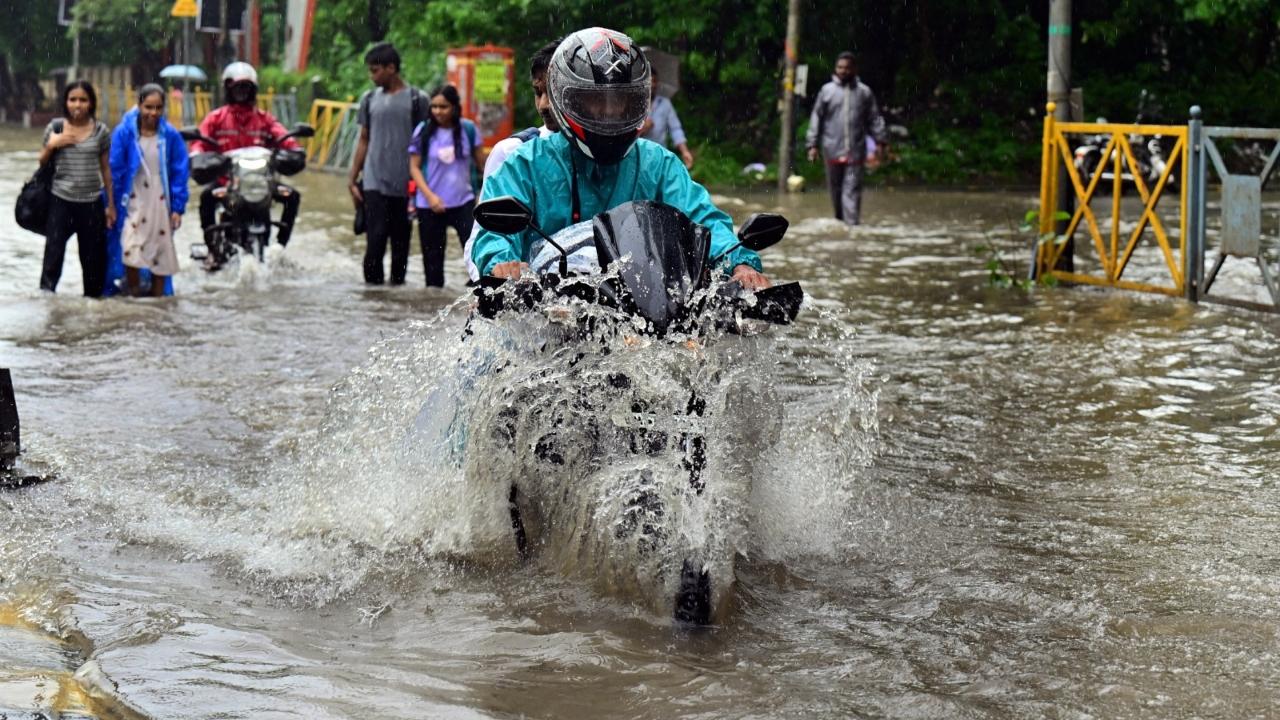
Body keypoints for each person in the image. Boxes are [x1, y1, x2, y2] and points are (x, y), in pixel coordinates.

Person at [471, 27, 769, 290]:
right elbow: (493, 234)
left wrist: (739, 264)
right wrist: (503, 263)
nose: (609, 114)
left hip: (643, 306)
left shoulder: (659, 165)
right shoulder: (524, 164)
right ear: (567, 99)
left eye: (621, 102)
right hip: (545, 311)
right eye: (595, 102)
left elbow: (703, 221)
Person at [461, 38, 562, 284]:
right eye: (538, 92)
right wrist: (498, 275)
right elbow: (480, 241)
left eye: (554, 92)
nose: (543, 105)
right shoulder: (513, 154)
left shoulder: (645, 161)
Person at [190, 62, 301, 246]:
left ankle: (280, 246)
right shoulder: (216, 118)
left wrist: (294, 150)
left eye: (246, 88)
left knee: (293, 197)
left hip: (261, 182)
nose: (242, 92)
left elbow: (284, 138)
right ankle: (211, 248)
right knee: (207, 198)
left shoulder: (265, 119)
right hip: (227, 182)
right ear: (228, 89)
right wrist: (197, 155)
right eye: (237, 88)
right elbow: (199, 142)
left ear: (253, 90)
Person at [349, 43, 428, 285]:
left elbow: (425, 141)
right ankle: (373, 296)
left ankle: (395, 294)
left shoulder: (418, 99)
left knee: (401, 243)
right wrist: (352, 178)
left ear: (391, 68)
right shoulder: (369, 99)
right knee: (375, 241)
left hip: (406, 184)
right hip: (374, 181)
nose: (371, 76)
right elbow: (364, 138)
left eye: (375, 70)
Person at [107, 84, 190, 297]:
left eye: (158, 107)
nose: (153, 113)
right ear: (139, 105)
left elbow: (179, 171)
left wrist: (178, 208)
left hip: (160, 200)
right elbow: (114, 169)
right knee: (130, 246)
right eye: (148, 107)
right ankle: (134, 293)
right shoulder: (124, 133)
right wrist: (111, 204)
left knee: (160, 249)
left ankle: (158, 300)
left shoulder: (170, 136)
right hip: (133, 198)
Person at [38, 80, 115, 297]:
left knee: (92, 259)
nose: (77, 105)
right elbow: (41, 161)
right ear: (66, 102)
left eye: (83, 100)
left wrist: (110, 206)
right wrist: (53, 144)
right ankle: (46, 302)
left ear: (91, 103)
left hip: (91, 203)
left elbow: (106, 170)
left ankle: (92, 304)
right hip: (60, 200)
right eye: (73, 99)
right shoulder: (56, 127)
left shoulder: (101, 131)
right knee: (53, 255)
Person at [407, 84, 483, 287]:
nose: (438, 111)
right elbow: (414, 168)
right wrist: (430, 197)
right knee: (432, 266)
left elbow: (483, 165)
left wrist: (483, 197)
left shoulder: (468, 129)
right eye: (434, 107)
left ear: (455, 107)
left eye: (444, 107)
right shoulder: (423, 131)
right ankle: (434, 305)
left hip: (464, 202)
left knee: (477, 255)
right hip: (429, 204)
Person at [805, 51, 888, 226]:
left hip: (855, 151)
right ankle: (840, 223)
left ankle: (852, 228)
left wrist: (880, 140)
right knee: (835, 191)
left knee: (851, 191)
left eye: (847, 68)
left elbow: (874, 118)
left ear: (854, 69)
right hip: (831, 149)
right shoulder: (827, 91)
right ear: (836, 69)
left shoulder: (864, 92)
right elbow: (816, 117)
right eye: (840, 67)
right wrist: (812, 144)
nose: (843, 71)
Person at [639, 66, 694, 169]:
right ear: (641, 83)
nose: (651, 85)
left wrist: (685, 151)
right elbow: (624, 135)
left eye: (654, 81)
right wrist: (641, 129)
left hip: (660, 157)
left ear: (657, 83)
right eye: (648, 81)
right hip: (639, 158)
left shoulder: (665, 103)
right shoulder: (634, 104)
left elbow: (675, 129)